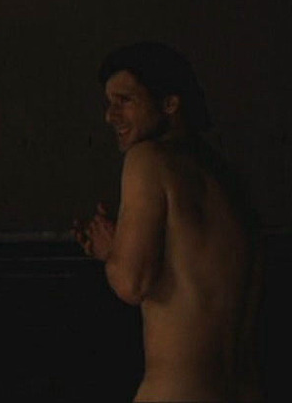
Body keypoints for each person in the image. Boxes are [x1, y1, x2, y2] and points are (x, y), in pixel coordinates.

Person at [72, 42, 263, 402]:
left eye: (125, 101)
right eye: (109, 103)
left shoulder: (147, 160)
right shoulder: (228, 177)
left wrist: (111, 251)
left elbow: (131, 283)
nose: (110, 116)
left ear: (170, 104)